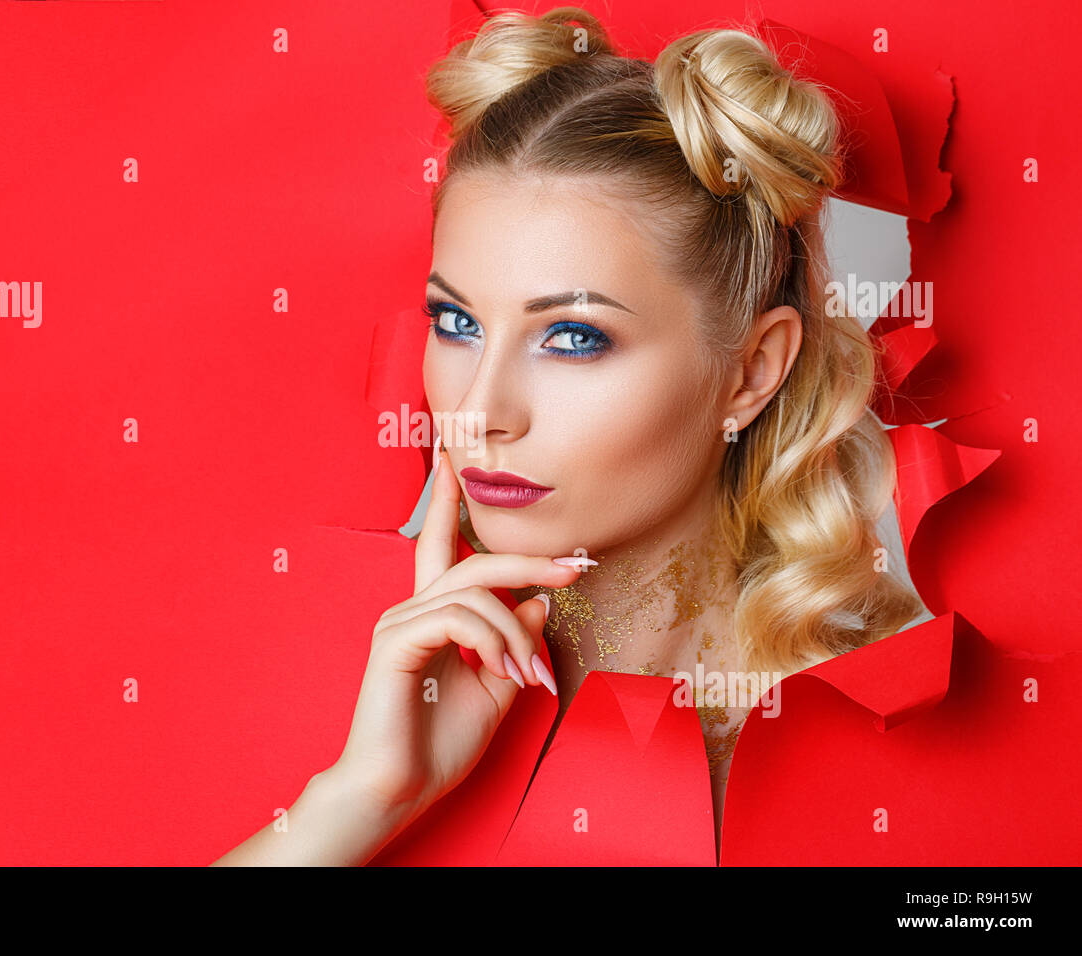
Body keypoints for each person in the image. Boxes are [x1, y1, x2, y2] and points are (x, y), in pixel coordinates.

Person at [213, 6, 924, 866]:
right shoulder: (349, 699)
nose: (478, 411)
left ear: (751, 371)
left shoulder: (894, 773)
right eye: (456, 322)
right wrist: (358, 801)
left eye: (573, 338)